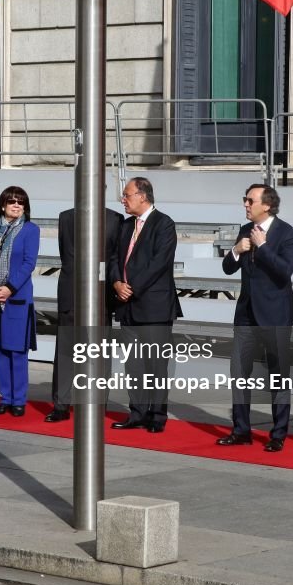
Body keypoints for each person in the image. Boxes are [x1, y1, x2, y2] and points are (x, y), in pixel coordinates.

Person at [218, 184, 293, 452]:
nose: (245, 204)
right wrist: (237, 250)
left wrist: (262, 247)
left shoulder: (286, 233)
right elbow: (228, 268)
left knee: (278, 376)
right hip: (246, 315)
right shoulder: (244, 230)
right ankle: (241, 430)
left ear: (267, 204)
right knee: (239, 373)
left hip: (276, 315)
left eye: (250, 200)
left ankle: (278, 434)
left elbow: (284, 272)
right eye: (245, 200)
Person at [109, 177, 182, 433]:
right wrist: (118, 282)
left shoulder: (164, 224)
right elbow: (115, 256)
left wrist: (132, 287)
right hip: (127, 306)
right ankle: (137, 412)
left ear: (142, 196)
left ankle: (157, 415)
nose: (123, 199)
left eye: (127, 195)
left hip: (153, 307)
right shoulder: (125, 225)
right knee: (134, 364)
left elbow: (159, 263)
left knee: (155, 364)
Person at [47, 203, 123, 422]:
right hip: (71, 294)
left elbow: (114, 258)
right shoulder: (66, 217)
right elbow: (66, 256)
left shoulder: (115, 220)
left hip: (101, 296)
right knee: (65, 352)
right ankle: (61, 404)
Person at [0, 186, 40, 417]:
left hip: (16, 298)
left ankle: (18, 400)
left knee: (17, 351)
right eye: (12, 201)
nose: (16, 206)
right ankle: (5, 397)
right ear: (3, 204)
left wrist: (9, 288)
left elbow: (28, 263)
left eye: (21, 202)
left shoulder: (30, 230)